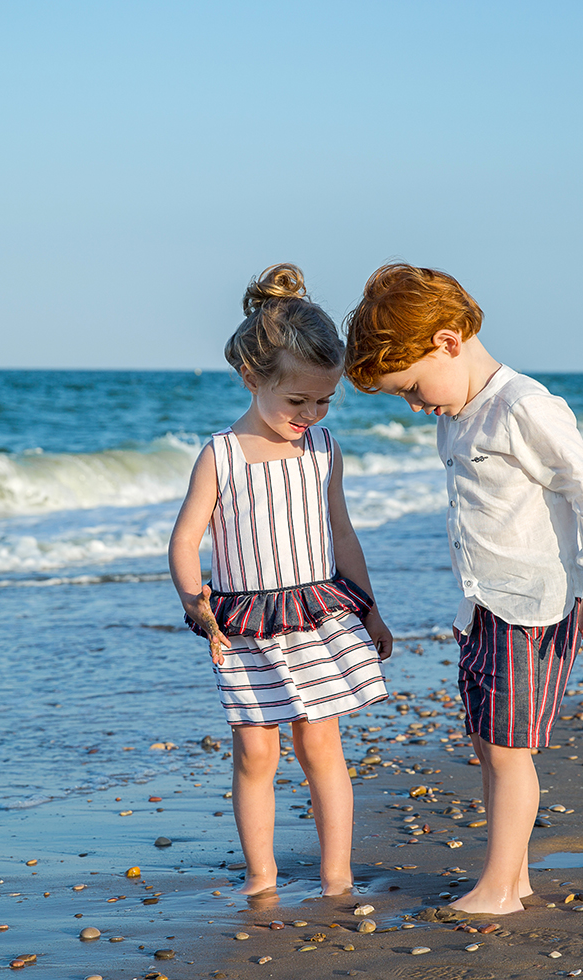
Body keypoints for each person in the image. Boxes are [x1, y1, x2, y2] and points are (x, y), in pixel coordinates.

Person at [344, 264, 583, 915]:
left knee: (507, 748)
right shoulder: (460, 414)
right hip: (486, 606)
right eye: (401, 397)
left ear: (446, 342)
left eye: (412, 387)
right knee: (487, 740)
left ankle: (500, 887)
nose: (415, 405)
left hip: (532, 605)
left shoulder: (521, 405)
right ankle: (514, 874)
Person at [169, 263, 394, 897]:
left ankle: (337, 875)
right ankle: (261, 876)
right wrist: (196, 605)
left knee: (322, 745)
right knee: (256, 753)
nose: (312, 413)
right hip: (241, 624)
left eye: (325, 400)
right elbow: (186, 540)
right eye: (298, 401)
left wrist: (371, 612)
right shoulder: (222, 454)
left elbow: (343, 535)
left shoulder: (324, 448)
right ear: (252, 379)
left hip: (318, 614)